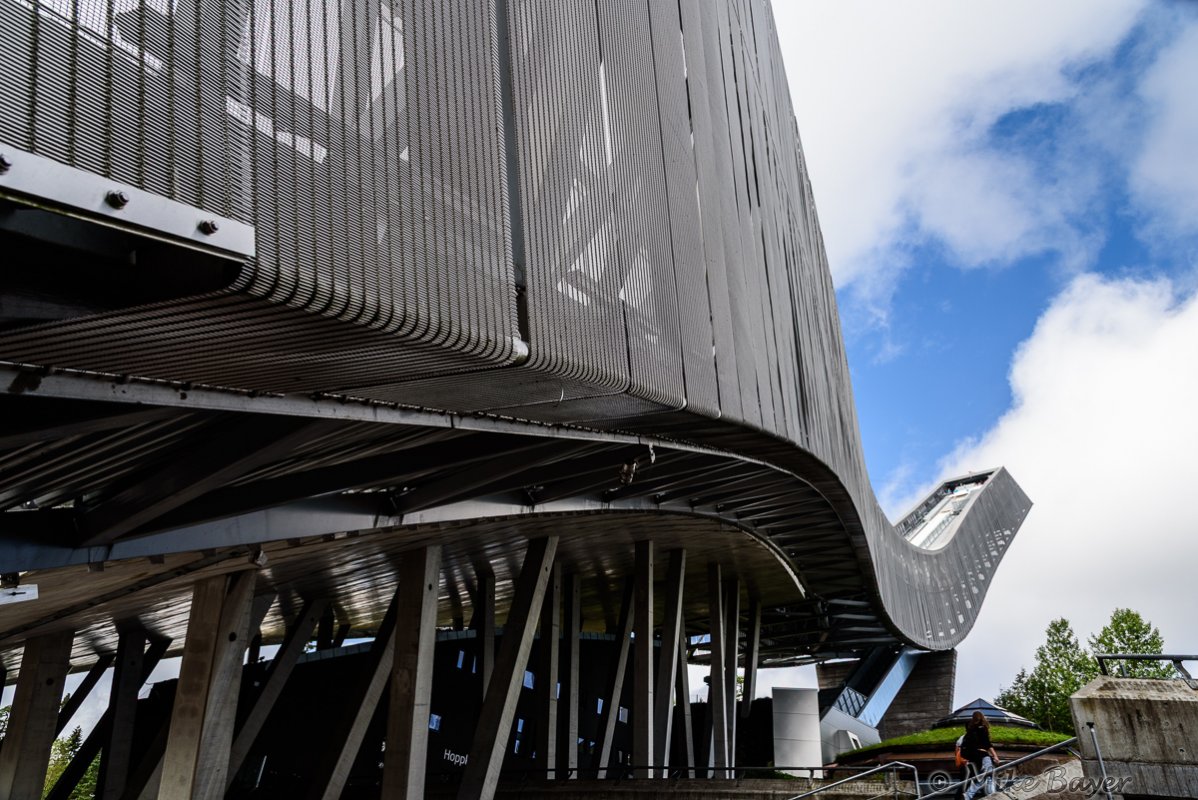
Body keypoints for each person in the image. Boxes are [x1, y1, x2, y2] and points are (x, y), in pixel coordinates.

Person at [962, 710, 1002, 799]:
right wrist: (995, 756)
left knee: (984, 777)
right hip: (983, 755)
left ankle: (969, 795)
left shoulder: (970, 729)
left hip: (973, 757)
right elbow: (987, 744)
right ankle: (969, 794)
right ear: (982, 717)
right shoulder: (982, 728)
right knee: (988, 775)